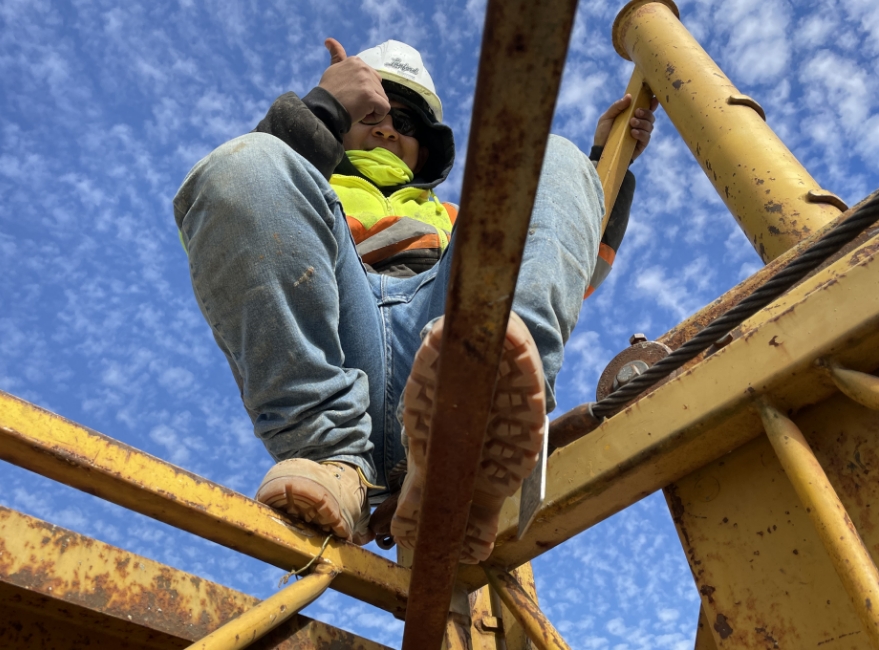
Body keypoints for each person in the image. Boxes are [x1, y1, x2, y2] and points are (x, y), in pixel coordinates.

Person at [173, 38, 656, 563]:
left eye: (406, 124)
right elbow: (242, 212)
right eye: (370, 114)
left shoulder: (452, 219)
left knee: (546, 158)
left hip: (444, 352)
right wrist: (323, 107)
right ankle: (331, 456)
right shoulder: (303, 185)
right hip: (337, 352)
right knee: (247, 162)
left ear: (427, 146)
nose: (387, 129)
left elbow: (558, 262)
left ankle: (475, 425)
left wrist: (598, 165)